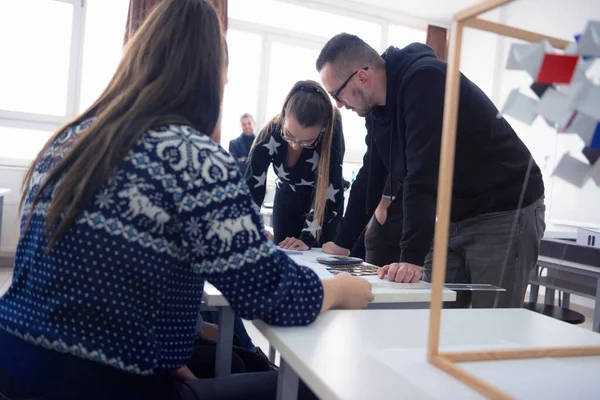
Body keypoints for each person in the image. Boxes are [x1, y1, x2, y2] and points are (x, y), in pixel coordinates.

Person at [0, 3, 374, 399]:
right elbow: (271, 294)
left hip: (12, 369)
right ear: (212, 78)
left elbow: (86, 279)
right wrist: (339, 290)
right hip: (100, 386)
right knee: (311, 388)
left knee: (232, 358)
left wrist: (162, 349)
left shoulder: (70, 142)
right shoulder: (196, 160)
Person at [315, 33, 546, 308]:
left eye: (336, 94)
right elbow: (371, 175)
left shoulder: (426, 81)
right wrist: (343, 243)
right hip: (454, 215)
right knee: (430, 315)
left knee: (492, 323)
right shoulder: (377, 110)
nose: (339, 104)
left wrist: (410, 257)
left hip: (505, 209)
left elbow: (422, 172)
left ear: (362, 77)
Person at [245, 80, 346, 250]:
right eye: (289, 135)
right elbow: (251, 188)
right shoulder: (269, 135)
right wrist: (253, 227)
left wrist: (307, 239)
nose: (295, 145)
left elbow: (331, 190)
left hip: (322, 207)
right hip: (286, 201)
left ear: (322, 129)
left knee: (316, 261)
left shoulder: (331, 133)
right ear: (284, 115)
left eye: (307, 141)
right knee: (284, 255)